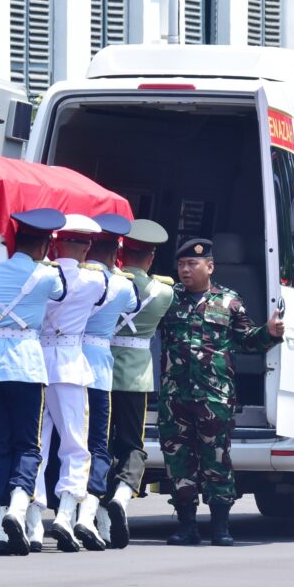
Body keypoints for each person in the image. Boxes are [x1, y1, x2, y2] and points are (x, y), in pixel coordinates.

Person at [159, 238, 284, 546]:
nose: (185, 271)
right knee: (178, 462)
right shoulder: (169, 300)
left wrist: (268, 334)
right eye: (181, 265)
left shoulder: (229, 302)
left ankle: (220, 527)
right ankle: (186, 525)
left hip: (215, 398)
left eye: (192, 264)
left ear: (210, 267)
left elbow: (247, 341)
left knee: (216, 461)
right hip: (175, 397)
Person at [0, 208, 65, 556]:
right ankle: (20, 507)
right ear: (44, 245)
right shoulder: (47, 276)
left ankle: (1, 523)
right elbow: (62, 294)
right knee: (28, 444)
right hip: (24, 363)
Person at [28, 214, 105, 553]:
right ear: (87, 246)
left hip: (36, 361)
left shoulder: (39, 274)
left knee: (37, 444)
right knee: (75, 443)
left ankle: (32, 522)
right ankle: (65, 513)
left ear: (55, 242)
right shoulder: (96, 280)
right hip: (71, 364)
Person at [105, 219, 174, 549]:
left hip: (102, 372)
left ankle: (98, 512)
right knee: (132, 443)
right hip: (135, 377)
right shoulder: (164, 293)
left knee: (99, 443)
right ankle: (122, 494)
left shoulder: (107, 284)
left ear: (122, 253)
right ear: (150, 257)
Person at [72, 213, 139, 551]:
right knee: (98, 445)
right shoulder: (122, 285)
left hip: (65, 367)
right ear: (116, 253)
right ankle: (89, 512)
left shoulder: (74, 279)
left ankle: (66, 515)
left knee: (67, 444)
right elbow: (135, 305)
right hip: (98, 370)